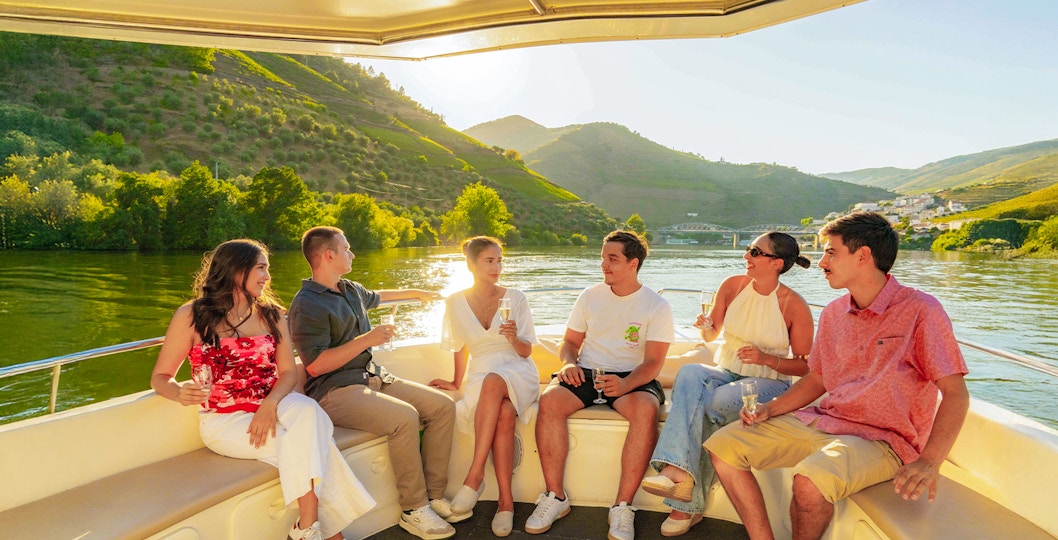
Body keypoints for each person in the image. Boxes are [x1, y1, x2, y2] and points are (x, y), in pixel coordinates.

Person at [705, 212, 971, 540]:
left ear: (863, 256)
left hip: (883, 440)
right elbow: (818, 380)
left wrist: (930, 461)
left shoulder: (921, 311)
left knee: (809, 482)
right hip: (826, 420)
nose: (820, 262)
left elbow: (956, 393)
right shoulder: (834, 314)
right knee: (723, 446)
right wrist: (769, 410)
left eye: (830, 252)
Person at [150, 239, 375, 540]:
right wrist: (178, 392)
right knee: (306, 439)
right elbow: (161, 377)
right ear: (235, 270)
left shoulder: (272, 315)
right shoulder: (191, 316)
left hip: (274, 403)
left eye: (267, 269)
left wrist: (269, 406)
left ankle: (307, 526)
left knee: (310, 412)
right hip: (224, 420)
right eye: (261, 268)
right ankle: (321, 532)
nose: (268, 277)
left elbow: (286, 373)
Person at [287, 226, 456, 540]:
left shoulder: (348, 288)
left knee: (442, 406)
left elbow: (378, 297)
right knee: (404, 417)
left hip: (372, 376)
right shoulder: (306, 305)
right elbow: (316, 364)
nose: (352, 253)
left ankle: (433, 496)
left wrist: (416, 294)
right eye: (347, 249)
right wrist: (367, 339)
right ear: (328, 255)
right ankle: (414, 509)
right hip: (335, 390)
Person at [640, 232, 814, 537]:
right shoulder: (732, 286)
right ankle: (678, 473)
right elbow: (711, 335)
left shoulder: (794, 305)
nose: (746, 256)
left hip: (768, 382)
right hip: (727, 370)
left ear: (777, 263)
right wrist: (705, 327)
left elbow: (806, 366)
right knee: (691, 373)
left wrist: (765, 358)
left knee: (713, 403)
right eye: (748, 250)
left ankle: (684, 498)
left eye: (755, 252)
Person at [525, 230, 674, 540]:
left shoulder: (656, 305)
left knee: (646, 410)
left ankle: (622, 507)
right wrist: (568, 363)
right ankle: (555, 497)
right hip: (586, 372)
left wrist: (625, 384)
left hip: (632, 376)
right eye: (603, 258)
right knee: (550, 401)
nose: (604, 264)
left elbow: (653, 363)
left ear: (633, 263)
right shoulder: (590, 296)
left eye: (612, 259)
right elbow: (570, 342)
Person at [428, 236, 541, 537]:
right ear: (472, 264)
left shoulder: (515, 298)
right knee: (503, 412)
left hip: (517, 369)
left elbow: (527, 350)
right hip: (480, 373)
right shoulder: (454, 302)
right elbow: (460, 347)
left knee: (496, 382)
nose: (497, 267)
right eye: (490, 261)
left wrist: (514, 338)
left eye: (500, 260)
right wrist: (455, 381)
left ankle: (474, 476)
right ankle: (506, 503)